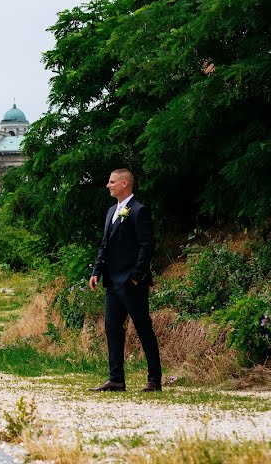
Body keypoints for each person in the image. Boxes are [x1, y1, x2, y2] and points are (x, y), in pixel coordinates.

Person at [89, 168, 162, 392]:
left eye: (111, 182)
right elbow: (105, 244)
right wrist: (96, 271)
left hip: (131, 283)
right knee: (112, 328)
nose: (107, 185)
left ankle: (154, 380)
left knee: (142, 328)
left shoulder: (139, 211)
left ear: (124, 184)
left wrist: (136, 277)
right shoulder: (112, 211)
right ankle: (116, 379)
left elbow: (146, 245)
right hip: (112, 282)